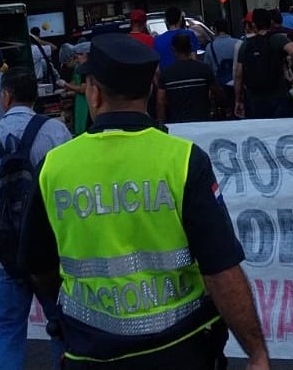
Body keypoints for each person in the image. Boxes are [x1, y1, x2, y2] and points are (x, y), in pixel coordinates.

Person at [23, 33, 271, 369]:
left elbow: (38, 266)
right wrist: (256, 353)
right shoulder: (183, 160)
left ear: (93, 93)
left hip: (90, 353)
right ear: (151, 90)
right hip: (182, 350)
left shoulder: (53, 167)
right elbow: (221, 270)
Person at [0, 69, 71, 370]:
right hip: (51, 252)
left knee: (7, 329)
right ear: (35, 97)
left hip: (8, 251)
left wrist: (2, 235)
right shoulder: (56, 132)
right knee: (62, 325)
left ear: (5, 97)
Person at [235, 7, 293, 120]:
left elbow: (238, 75)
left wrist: (238, 99)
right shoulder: (276, 39)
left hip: (254, 97)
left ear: (254, 25)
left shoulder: (246, 45)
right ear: (270, 22)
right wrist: (288, 64)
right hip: (277, 94)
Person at [157, 32, 222, 124]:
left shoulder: (166, 74)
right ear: (191, 47)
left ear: (173, 49)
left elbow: (160, 101)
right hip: (203, 121)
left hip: (178, 123)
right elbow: (217, 92)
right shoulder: (204, 69)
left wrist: (161, 123)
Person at [204, 19, 240, 118]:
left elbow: (207, 69)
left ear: (215, 30)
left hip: (220, 88)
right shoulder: (238, 43)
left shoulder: (209, 47)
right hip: (238, 85)